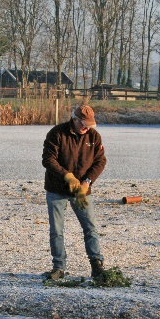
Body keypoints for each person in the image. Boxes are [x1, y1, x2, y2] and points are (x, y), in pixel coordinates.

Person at [42, 104, 107, 280]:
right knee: (57, 230)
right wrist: (67, 177)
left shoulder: (94, 136)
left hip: (82, 191)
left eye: (90, 124)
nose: (86, 128)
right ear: (75, 119)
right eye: (84, 124)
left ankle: (96, 265)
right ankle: (59, 267)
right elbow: (48, 159)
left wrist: (86, 182)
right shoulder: (57, 133)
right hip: (57, 189)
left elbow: (100, 162)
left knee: (90, 228)